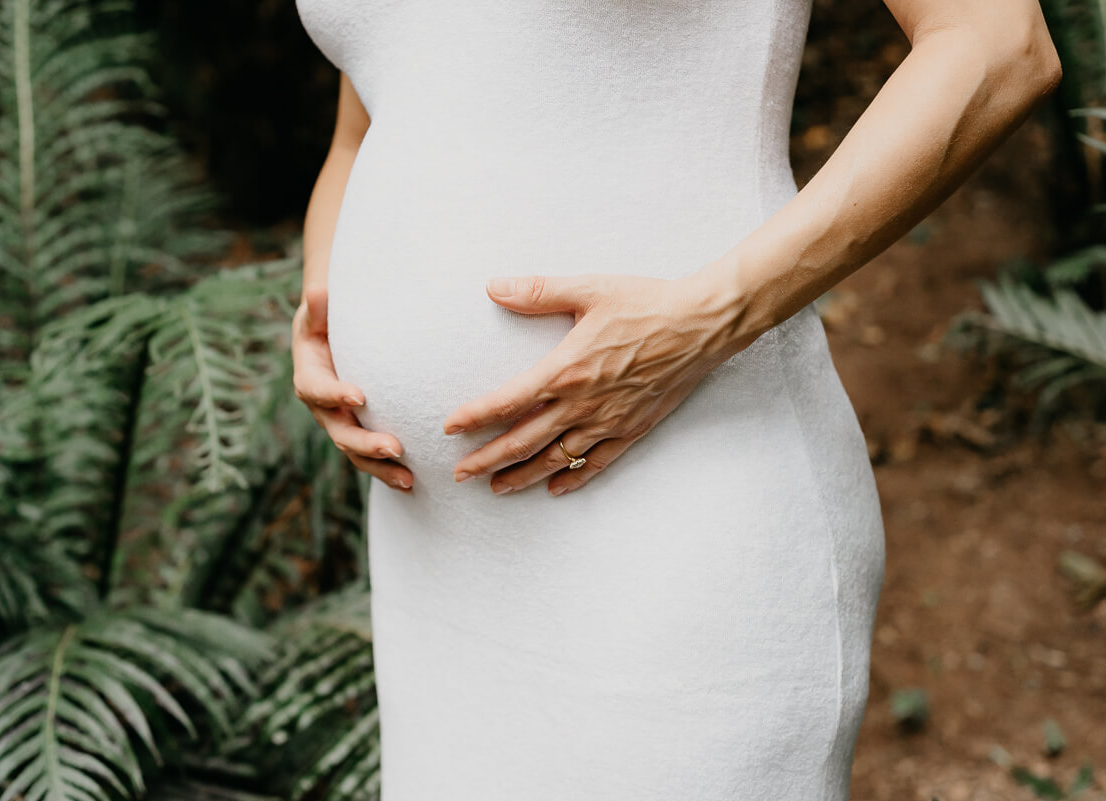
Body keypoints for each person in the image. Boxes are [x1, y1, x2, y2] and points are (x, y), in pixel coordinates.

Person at [290, 0, 1061, 797]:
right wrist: (324, 303)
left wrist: (713, 312)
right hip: (436, 562)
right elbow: (380, 110)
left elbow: (999, 45)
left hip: (682, 517)